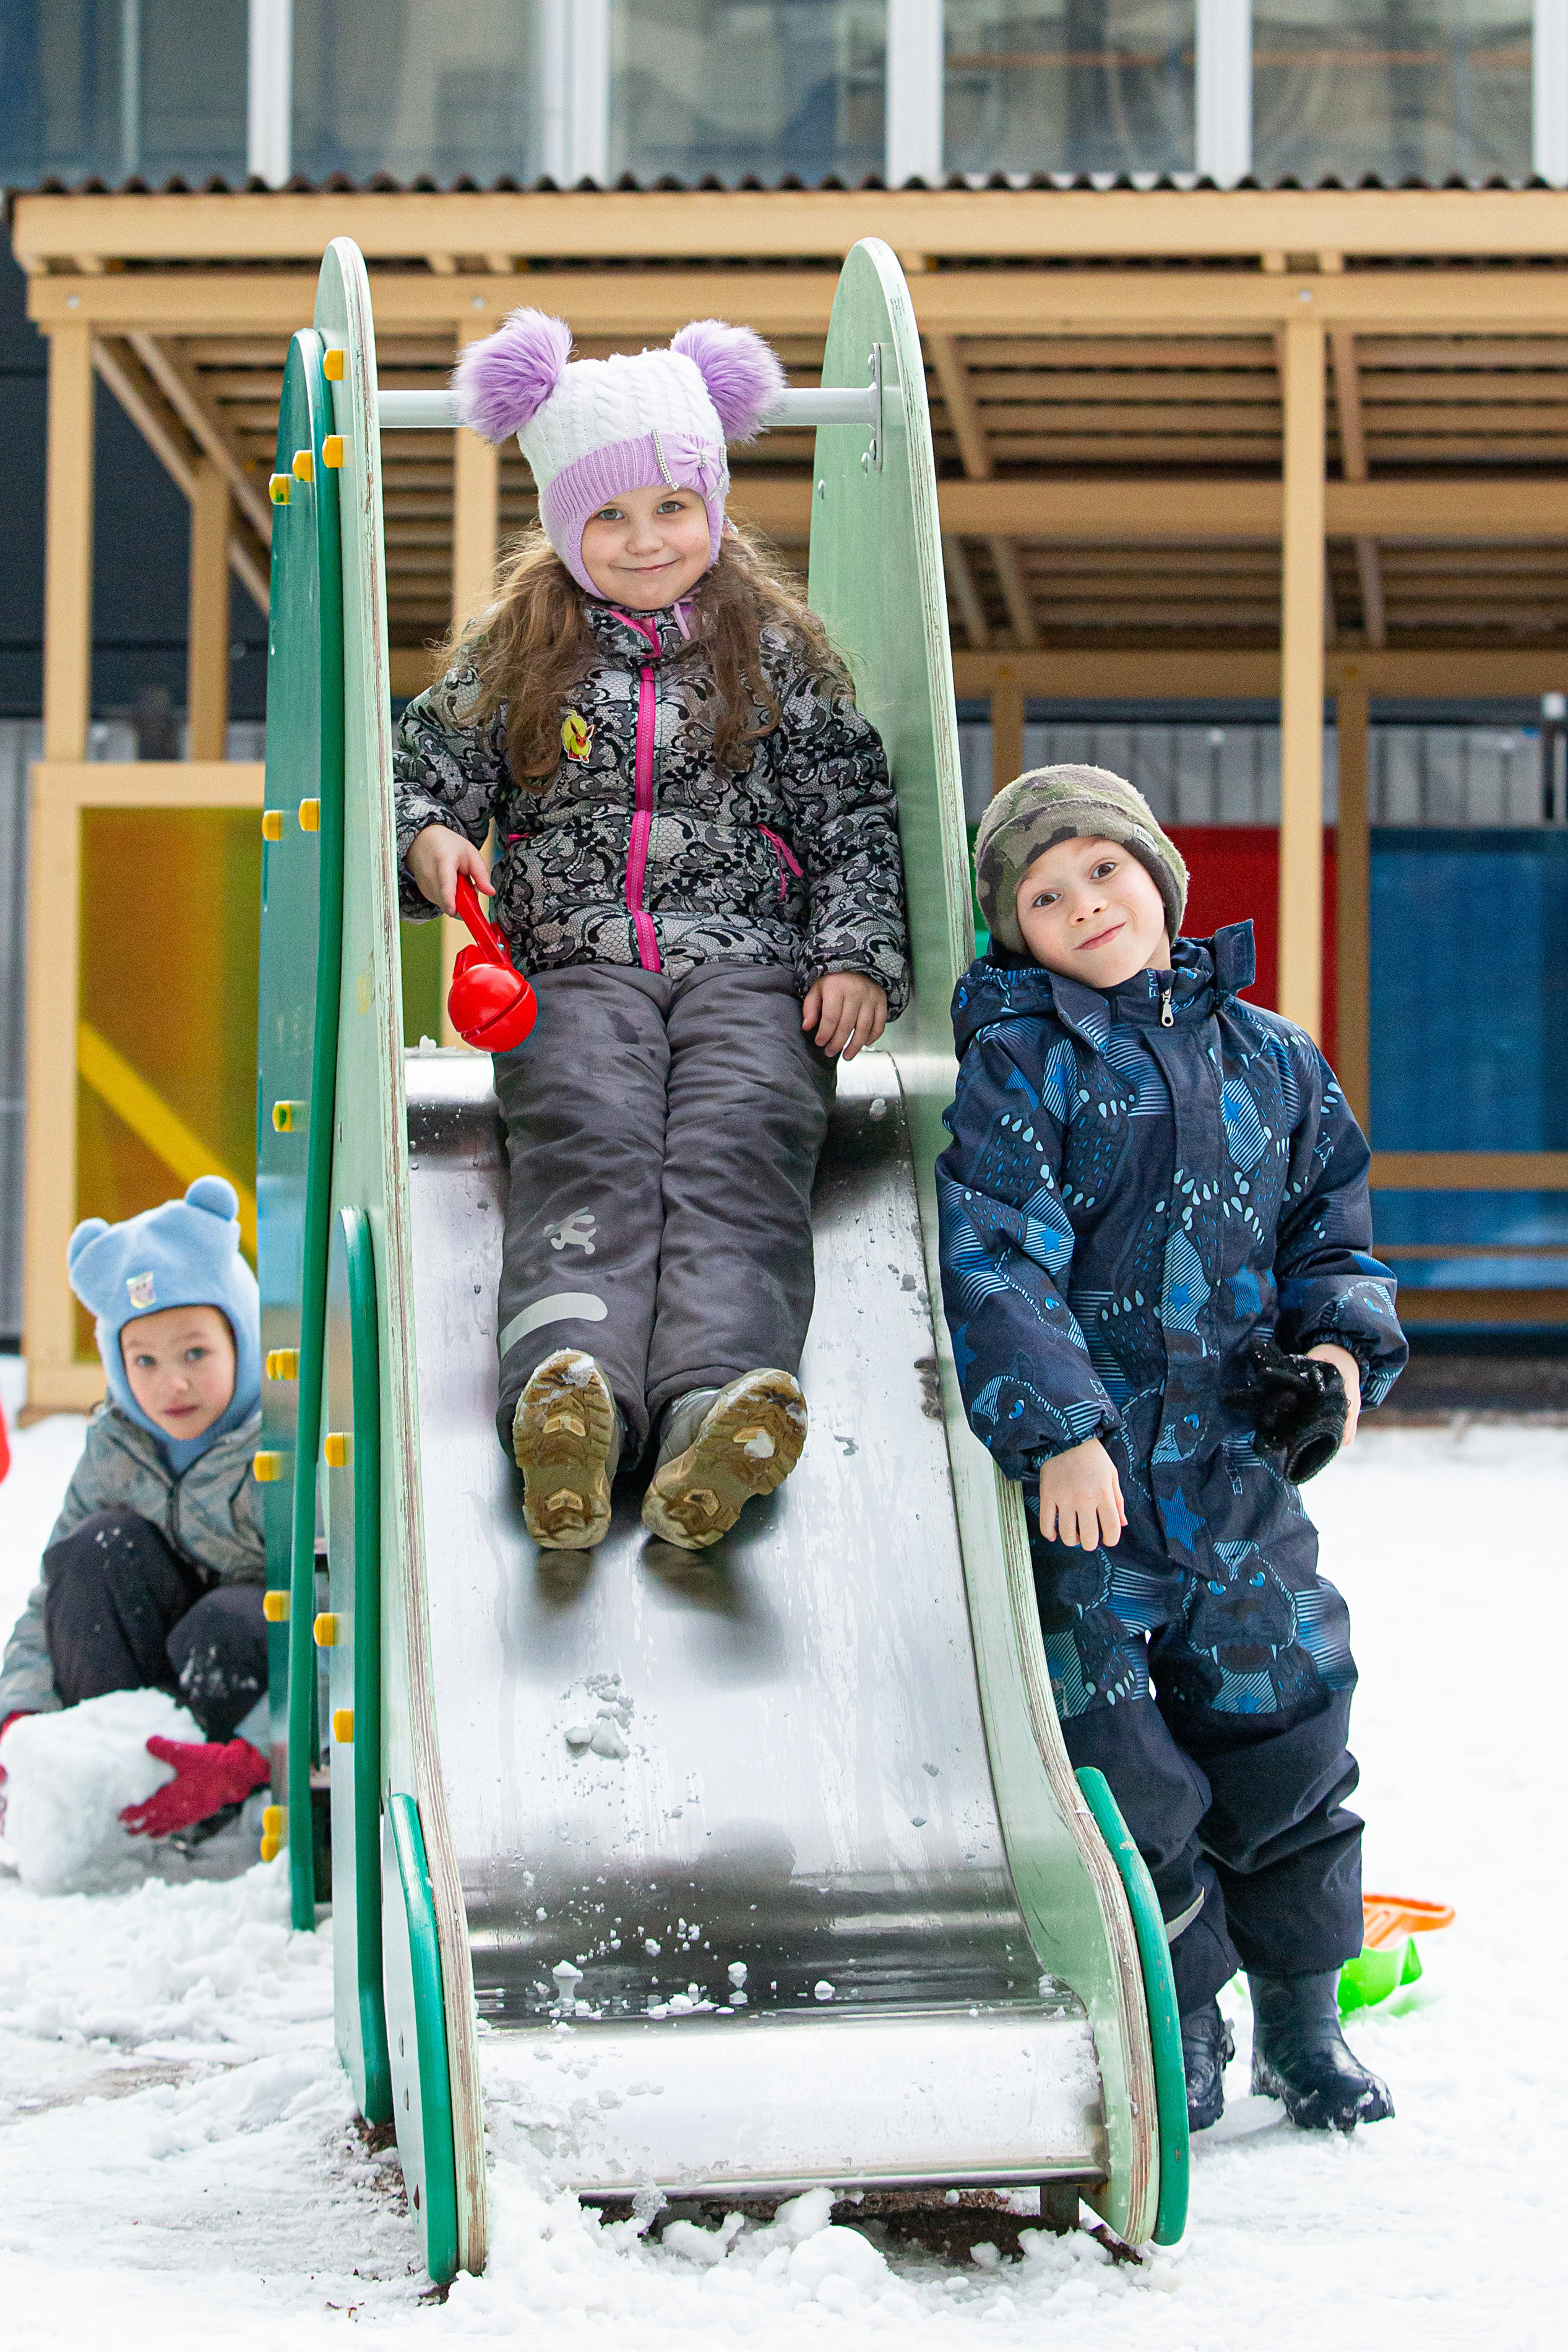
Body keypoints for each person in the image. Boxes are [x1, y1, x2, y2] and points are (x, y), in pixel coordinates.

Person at [936, 765, 1408, 2134]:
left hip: (1244, 1483)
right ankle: (1182, 2013)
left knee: (1293, 1732)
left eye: (1104, 870)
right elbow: (995, 1259)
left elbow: (1334, 1236)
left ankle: (1304, 2021)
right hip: (1099, 1502)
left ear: (1160, 876)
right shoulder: (1019, 1067)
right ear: (1012, 930)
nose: (1085, 903)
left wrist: (1334, 1360)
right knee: (1129, 1767)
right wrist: (1065, 1433)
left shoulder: (1276, 1058)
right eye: (1044, 892)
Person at [395, 309, 910, 1552]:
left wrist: (854, 957)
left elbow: (850, 809)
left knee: (741, 1146)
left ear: (713, 505)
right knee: (587, 1139)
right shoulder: (514, 652)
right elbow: (422, 770)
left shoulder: (773, 652)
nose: (644, 541)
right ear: (566, 524)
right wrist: (429, 842)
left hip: (751, 970)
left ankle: (711, 1410)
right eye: (608, 517)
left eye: (671, 509)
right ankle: (568, 1396)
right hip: (571, 967)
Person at [0, 1178, 270, 1843]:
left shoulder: (282, 1444)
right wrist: (17, 1725)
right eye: (142, 1359)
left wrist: (257, 1752)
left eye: (195, 1353)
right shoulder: (117, 1446)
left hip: (240, 1714)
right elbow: (49, 1600)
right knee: (95, 1551)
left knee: (239, 1613)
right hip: (145, 1683)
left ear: (242, 1338)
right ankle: (110, 1778)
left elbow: (339, 1618)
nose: (169, 1383)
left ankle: (212, 1794)